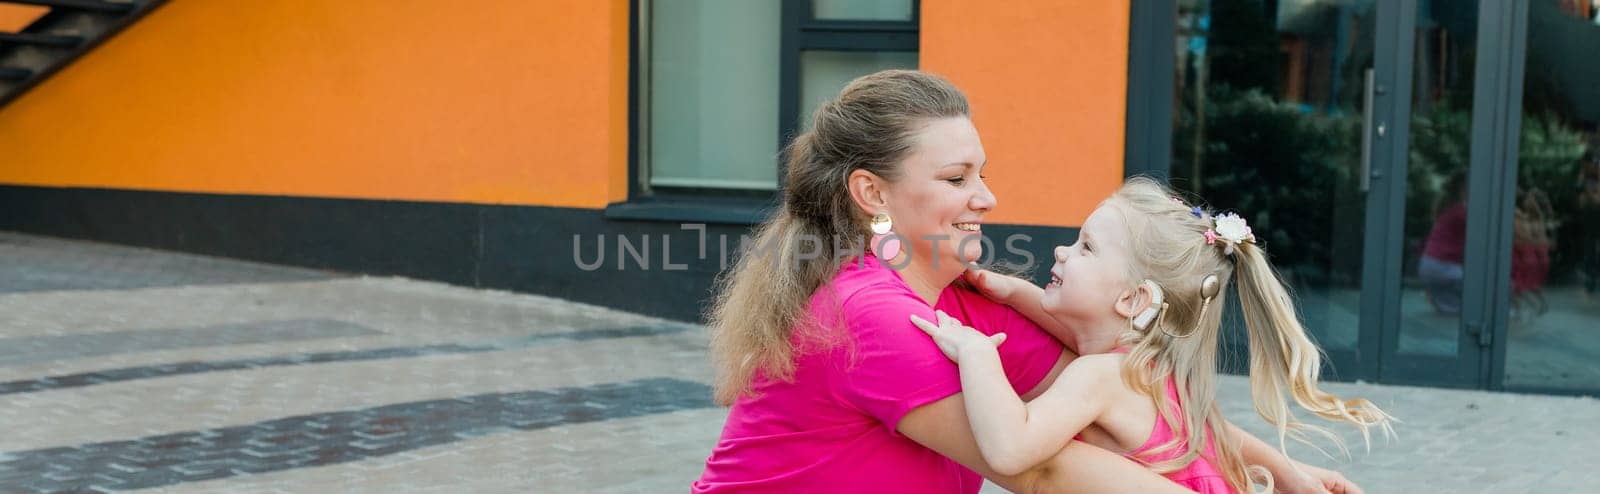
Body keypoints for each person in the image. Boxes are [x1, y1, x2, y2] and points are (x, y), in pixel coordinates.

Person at [691, 70, 1357, 493]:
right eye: (957, 179)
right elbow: (1035, 467)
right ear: (872, 192)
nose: (987, 197)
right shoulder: (871, 315)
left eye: (981, 172)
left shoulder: (962, 304)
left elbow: (1138, 405)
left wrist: (1287, 475)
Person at [913, 178, 1394, 493]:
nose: (1061, 250)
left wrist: (977, 355)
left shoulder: (1099, 376)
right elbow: (1072, 326)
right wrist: (1014, 291)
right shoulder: (1155, 369)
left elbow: (1010, 449)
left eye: (1087, 247)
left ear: (1133, 300)